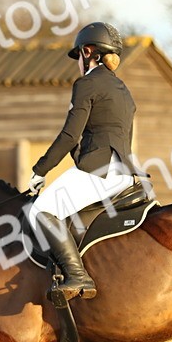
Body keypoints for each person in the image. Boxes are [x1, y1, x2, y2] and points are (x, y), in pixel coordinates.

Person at [28, 22, 139, 301]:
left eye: (78, 55)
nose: (78, 62)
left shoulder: (87, 83)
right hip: (124, 173)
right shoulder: (123, 90)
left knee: (40, 211)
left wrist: (39, 170)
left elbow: (69, 135)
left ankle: (77, 275)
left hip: (100, 170)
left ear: (89, 52)